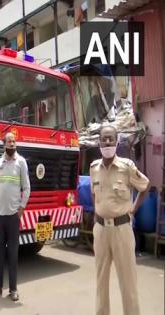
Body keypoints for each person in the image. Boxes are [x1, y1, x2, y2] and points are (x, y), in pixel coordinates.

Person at [90, 125, 150, 315]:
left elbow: (145, 186)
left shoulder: (126, 167)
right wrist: (96, 214)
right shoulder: (94, 168)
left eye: (110, 138)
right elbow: (94, 193)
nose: (107, 142)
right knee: (101, 282)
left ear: (117, 142)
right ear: (98, 142)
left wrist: (132, 209)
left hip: (121, 229)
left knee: (128, 282)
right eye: (104, 138)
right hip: (100, 229)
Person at [0, 132, 31, 301]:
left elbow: (26, 188)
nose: (12, 144)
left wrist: (21, 208)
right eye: (9, 141)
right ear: (4, 144)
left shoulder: (21, 162)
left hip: (13, 216)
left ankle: (13, 289)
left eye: (14, 141)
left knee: (13, 253)